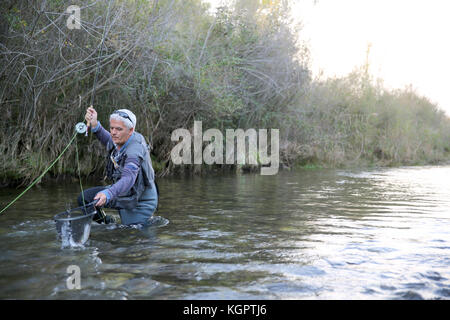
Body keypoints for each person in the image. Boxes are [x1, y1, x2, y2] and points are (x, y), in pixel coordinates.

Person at [78, 106, 158, 226]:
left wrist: (108, 194)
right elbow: (109, 140)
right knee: (85, 199)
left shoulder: (134, 150)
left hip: (140, 202)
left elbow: (128, 178)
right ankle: (106, 224)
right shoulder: (121, 139)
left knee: (129, 236)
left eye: (118, 129)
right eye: (112, 128)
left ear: (131, 130)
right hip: (124, 193)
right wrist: (94, 124)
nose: (113, 133)